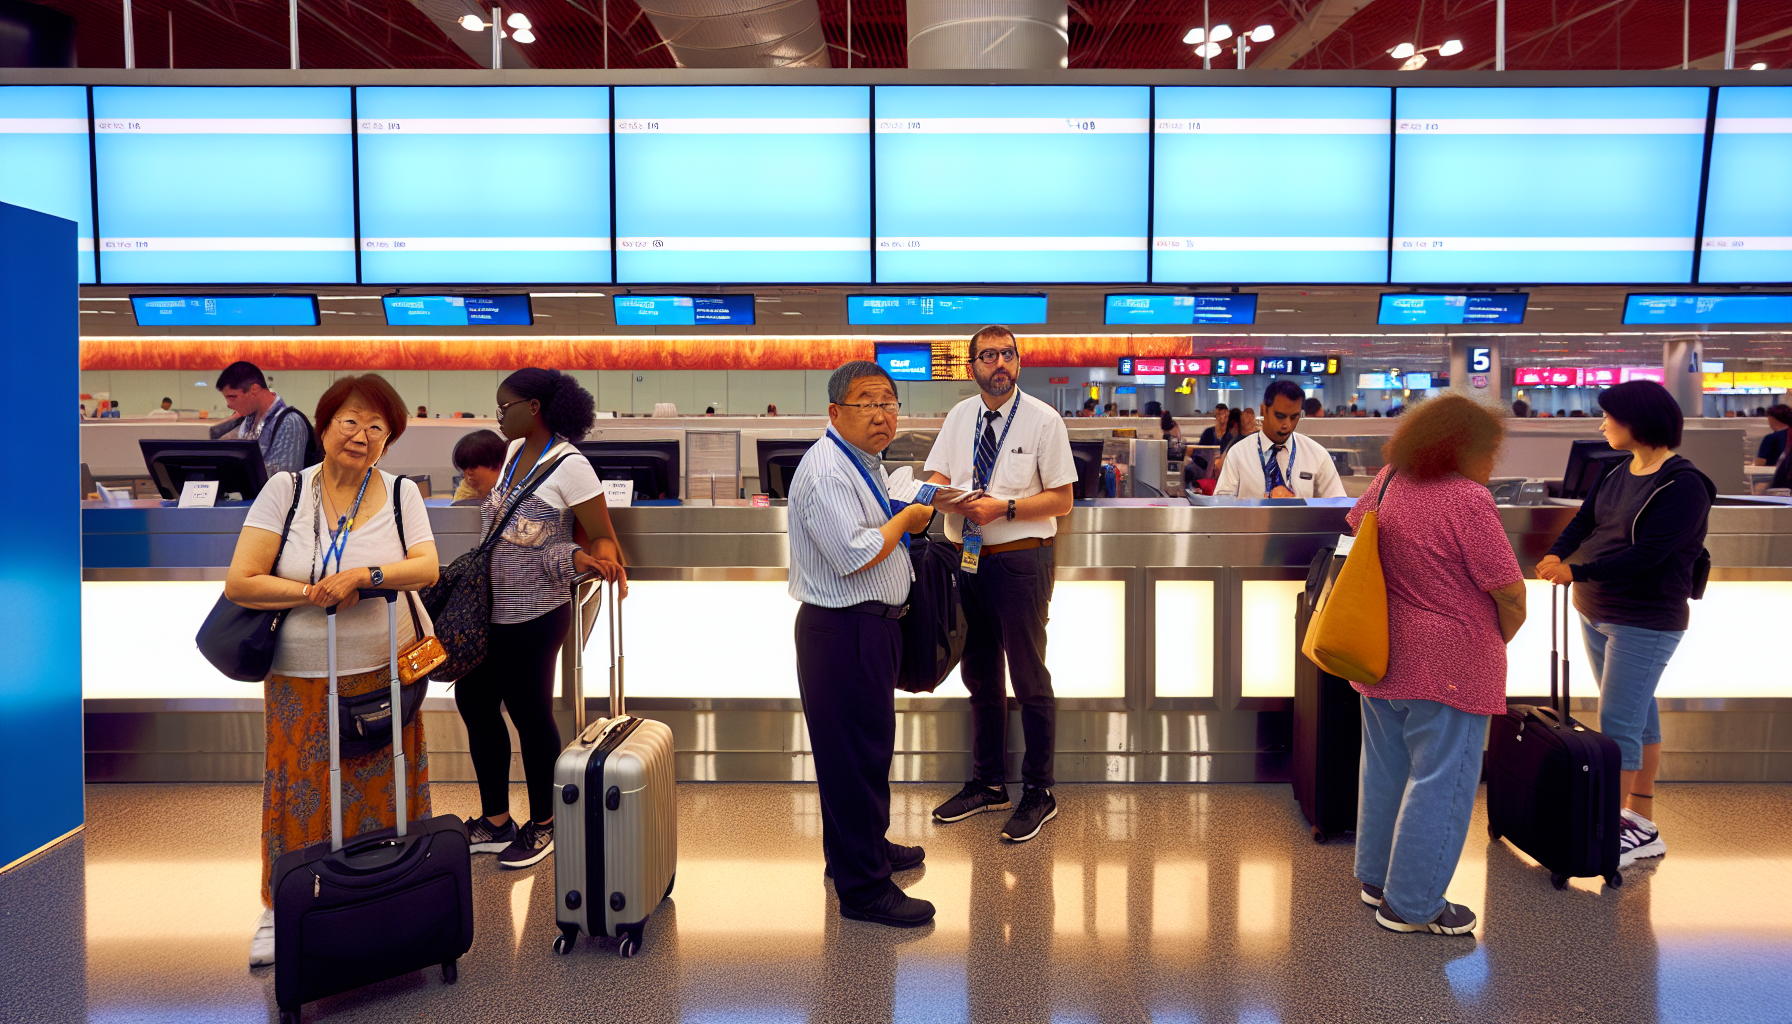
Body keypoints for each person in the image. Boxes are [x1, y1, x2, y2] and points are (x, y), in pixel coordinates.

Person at [223, 373, 441, 966]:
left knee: (382, 786)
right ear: (323, 426)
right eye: (350, 420)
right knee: (300, 789)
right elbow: (242, 580)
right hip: (302, 677)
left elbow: (426, 568)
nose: (363, 434)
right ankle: (280, 907)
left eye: (378, 427)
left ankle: (385, 894)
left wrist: (364, 577)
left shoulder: (401, 494)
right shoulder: (285, 491)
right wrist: (311, 592)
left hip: (386, 671)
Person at [1348, 394, 1526, 936]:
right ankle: (1413, 904)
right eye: (1490, 451)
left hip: (1380, 653)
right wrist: (1496, 639)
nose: (1493, 462)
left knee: (1385, 769)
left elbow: (1358, 532)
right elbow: (1510, 592)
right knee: (1441, 781)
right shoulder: (1467, 500)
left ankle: (1377, 879)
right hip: (1451, 664)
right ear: (1461, 447)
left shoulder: (1389, 480)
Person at [1537, 380, 1714, 870]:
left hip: (1645, 618)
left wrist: (1579, 570)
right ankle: (1641, 819)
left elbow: (1648, 555)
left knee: (1617, 725)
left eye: (1609, 417)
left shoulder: (1684, 485)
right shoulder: (1616, 470)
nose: (1602, 425)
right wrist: (1557, 553)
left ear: (1637, 421)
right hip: (1596, 609)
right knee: (1637, 714)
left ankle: (1608, 828)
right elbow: (1585, 522)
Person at [456, 369, 628, 870]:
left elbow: (601, 533)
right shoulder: (511, 454)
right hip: (490, 608)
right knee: (475, 701)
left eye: (503, 406)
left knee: (530, 715)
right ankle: (495, 821)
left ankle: (545, 824)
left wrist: (598, 560)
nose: (497, 415)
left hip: (535, 612)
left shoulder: (571, 465)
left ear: (533, 407)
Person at [787, 360, 936, 928]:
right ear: (835, 413)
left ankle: (859, 850)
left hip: (867, 628)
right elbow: (854, 552)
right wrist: (909, 520)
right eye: (867, 402)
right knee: (853, 758)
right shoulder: (827, 471)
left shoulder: (862, 462)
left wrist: (907, 511)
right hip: (843, 630)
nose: (882, 413)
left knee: (863, 754)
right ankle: (864, 889)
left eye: (890, 402)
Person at [924, 326, 1077, 843]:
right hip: (967, 560)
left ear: (1018, 361)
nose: (998, 364)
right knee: (981, 677)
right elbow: (936, 475)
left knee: (1030, 676)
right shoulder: (959, 416)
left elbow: (1061, 500)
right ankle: (990, 784)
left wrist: (1003, 507)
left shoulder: (1042, 419)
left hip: (1021, 562)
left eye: (1006, 354)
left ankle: (1040, 789)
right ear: (973, 368)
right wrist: (943, 496)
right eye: (987, 356)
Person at [1213, 381, 1347, 499]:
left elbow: (1337, 505)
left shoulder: (1317, 454)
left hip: (1301, 527)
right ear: (1263, 409)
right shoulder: (1238, 454)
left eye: (1294, 417)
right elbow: (1221, 508)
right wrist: (1260, 504)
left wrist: (1301, 505)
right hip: (1252, 526)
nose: (1287, 425)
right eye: (1280, 416)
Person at [217, 361, 317, 474]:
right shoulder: (248, 422)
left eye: (232, 396)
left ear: (254, 389)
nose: (229, 404)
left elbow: (283, 481)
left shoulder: (289, 422)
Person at [450, 428, 507, 504]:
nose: (468, 478)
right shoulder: (466, 493)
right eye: (464, 470)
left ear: (499, 465)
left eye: (473, 467)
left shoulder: (516, 496)